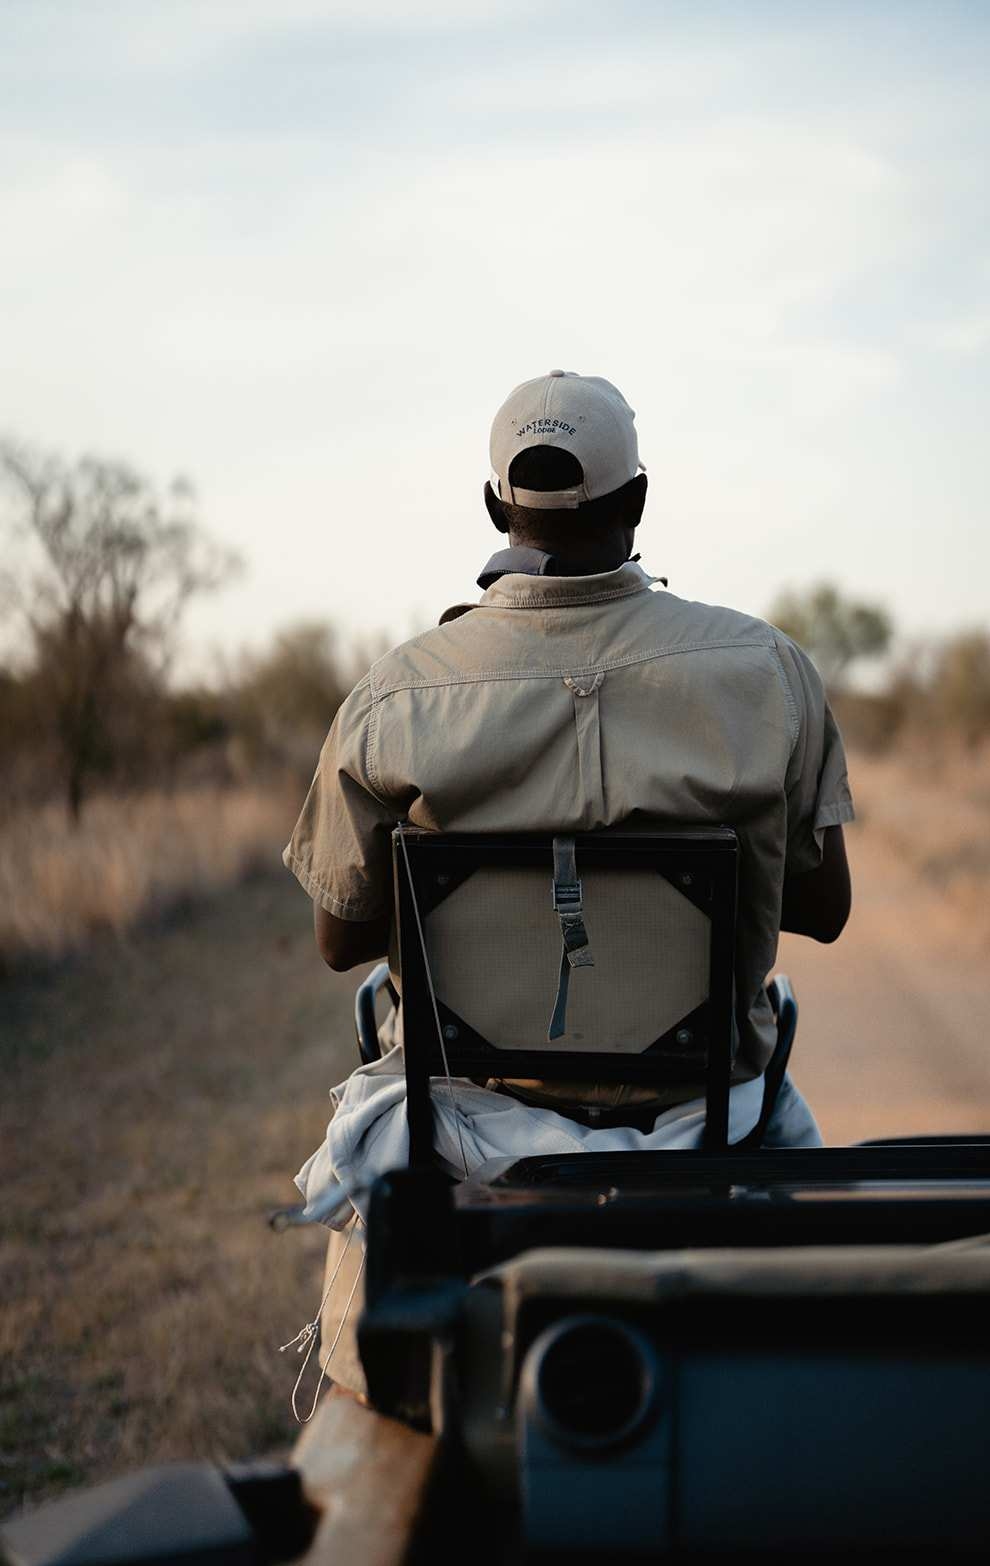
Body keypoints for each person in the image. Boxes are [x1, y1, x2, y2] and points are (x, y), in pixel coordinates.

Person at [282, 369, 854, 1396]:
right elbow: (825, 910)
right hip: (702, 1120)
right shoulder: (766, 671)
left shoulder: (396, 695)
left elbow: (340, 938)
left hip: (471, 1123)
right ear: (637, 499)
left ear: (493, 505)